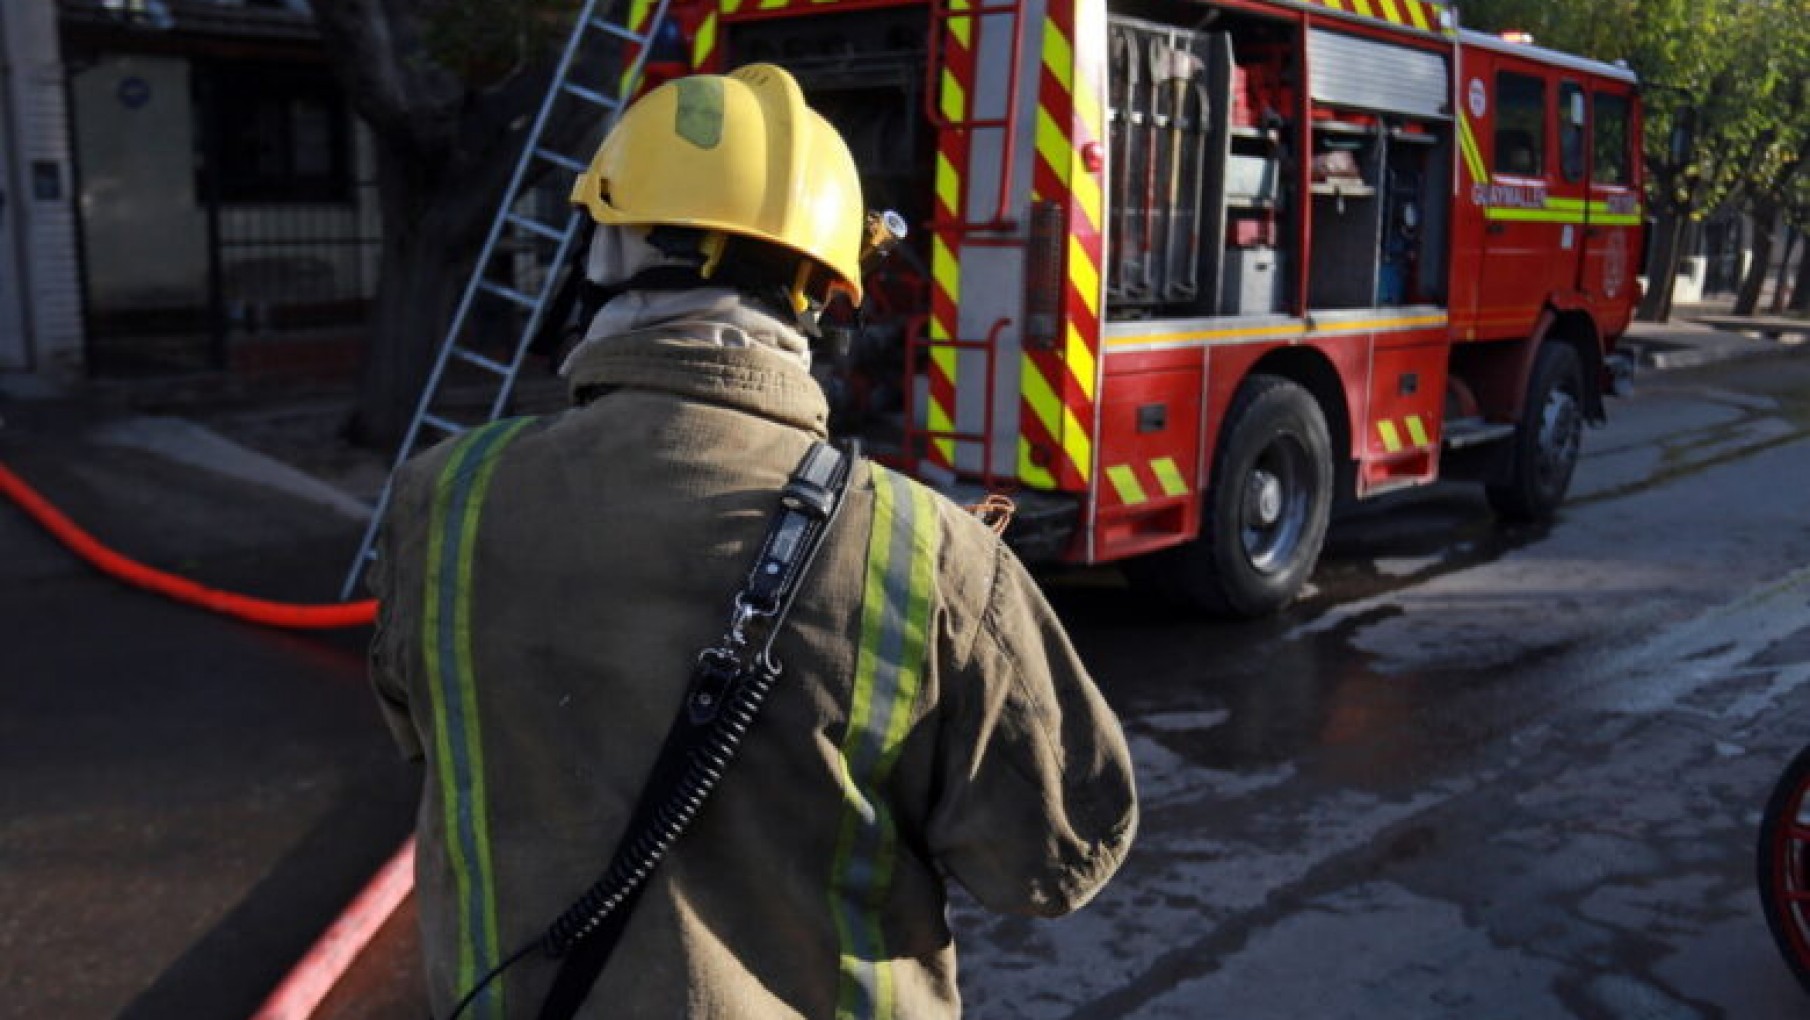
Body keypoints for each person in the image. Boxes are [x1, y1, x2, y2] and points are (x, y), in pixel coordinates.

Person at [368, 63, 1137, 1019]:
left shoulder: (442, 499)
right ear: (822, 292)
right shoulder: (924, 550)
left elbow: (425, 736)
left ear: (603, 251)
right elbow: (1050, 865)